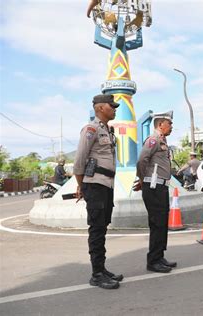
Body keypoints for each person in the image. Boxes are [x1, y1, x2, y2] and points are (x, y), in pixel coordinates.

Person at [74, 94, 122, 290]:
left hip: (106, 185)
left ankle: (102, 269)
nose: (115, 108)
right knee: (96, 229)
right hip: (95, 185)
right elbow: (79, 162)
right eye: (112, 106)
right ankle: (96, 274)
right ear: (101, 108)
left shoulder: (108, 131)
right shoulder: (91, 129)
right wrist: (83, 186)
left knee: (102, 227)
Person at [134, 111, 177, 273]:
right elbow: (141, 160)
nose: (171, 127)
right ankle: (153, 261)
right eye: (169, 124)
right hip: (153, 187)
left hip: (161, 186)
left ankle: (159, 256)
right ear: (161, 125)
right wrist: (142, 180)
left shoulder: (162, 141)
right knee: (157, 223)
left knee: (162, 223)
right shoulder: (153, 140)